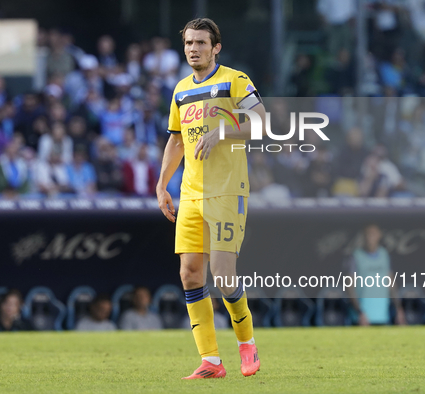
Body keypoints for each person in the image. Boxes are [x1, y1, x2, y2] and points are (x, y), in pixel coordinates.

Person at [156, 18, 265, 379]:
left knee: (221, 273)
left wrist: (223, 130)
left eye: (201, 43)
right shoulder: (181, 90)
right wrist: (161, 184)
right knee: (189, 275)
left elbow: (261, 122)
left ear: (216, 47)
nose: (193, 49)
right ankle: (211, 361)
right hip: (190, 193)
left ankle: (246, 343)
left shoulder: (235, 80)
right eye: (189, 43)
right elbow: (175, 141)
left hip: (227, 190)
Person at [345, 224, 406, 326]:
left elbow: (391, 283)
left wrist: (399, 308)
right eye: (367, 234)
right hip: (361, 318)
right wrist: (359, 312)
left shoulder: (384, 255)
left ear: (379, 235)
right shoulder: (355, 256)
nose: (370, 238)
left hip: (382, 316)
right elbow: (349, 287)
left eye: (373, 234)